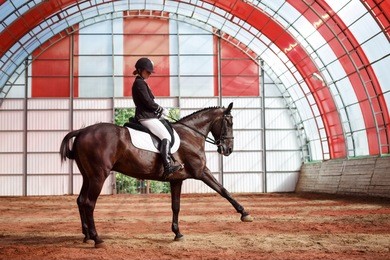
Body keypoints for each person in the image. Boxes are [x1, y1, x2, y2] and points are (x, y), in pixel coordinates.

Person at [131, 57, 181, 178]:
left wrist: (158, 112)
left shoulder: (142, 82)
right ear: (140, 70)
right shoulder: (139, 83)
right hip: (146, 117)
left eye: (150, 72)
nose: (149, 74)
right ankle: (167, 166)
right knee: (166, 136)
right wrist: (160, 109)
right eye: (147, 71)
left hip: (149, 115)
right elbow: (148, 102)